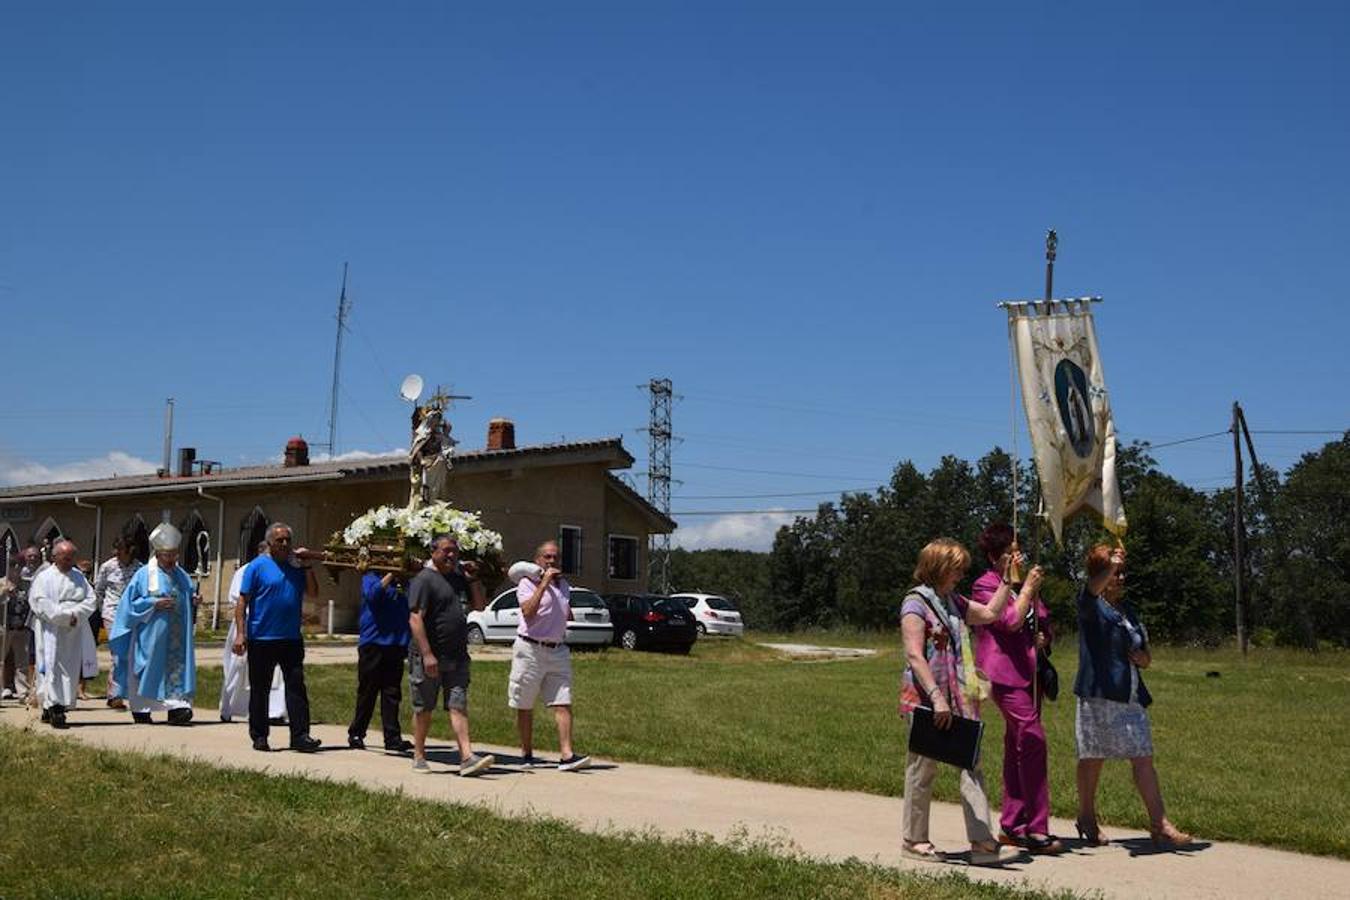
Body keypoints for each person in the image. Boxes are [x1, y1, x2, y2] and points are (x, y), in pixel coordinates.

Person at [898, 538, 1017, 865]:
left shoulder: (953, 601)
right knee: (923, 769)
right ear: (938, 567)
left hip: (959, 698)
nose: (961, 575)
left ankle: (982, 843)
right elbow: (914, 655)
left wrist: (1008, 580)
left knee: (971, 765)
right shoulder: (915, 602)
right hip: (928, 700)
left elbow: (991, 613)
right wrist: (937, 699)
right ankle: (914, 840)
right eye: (956, 569)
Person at [1074, 545, 1192, 849]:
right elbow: (1091, 590)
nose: (1120, 577)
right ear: (1099, 573)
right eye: (1114, 572)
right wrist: (1110, 566)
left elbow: (1144, 650)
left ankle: (1160, 824)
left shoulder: (1128, 610)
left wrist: (1144, 659)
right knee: (1092, 758)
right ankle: (1086, 817)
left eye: (1123, 572)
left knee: (1143, 757)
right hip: (1099, 695)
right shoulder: (1089, 604)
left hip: (1130, 695)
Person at [970, 523, 1060, 853]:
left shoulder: (1024, 584)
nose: (1017, 557)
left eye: (1018, 551)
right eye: (1010, 553)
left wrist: (1044, 636)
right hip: (1002, 674)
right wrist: (1025, 589)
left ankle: (1012, 824)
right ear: (995, 557)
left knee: (1017, 745)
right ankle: (1037, 828)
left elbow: (1042, 621)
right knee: (1033, 738)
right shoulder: (985, 585)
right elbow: (1008, 621)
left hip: (1029, 671)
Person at [407, 534, 494, 776]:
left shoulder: (459, 578)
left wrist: (473, 578)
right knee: (424, 708)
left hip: (457, 656)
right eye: (446, 550)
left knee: (458, 705)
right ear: (433, 552)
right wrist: (427, 654)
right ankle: (419, 755)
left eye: (454, 551)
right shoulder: (424, 580)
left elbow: (479, 606)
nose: (451, 555)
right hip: (429, 657)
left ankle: (466, 757)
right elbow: (415, 619)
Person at [233, 522, 322, 753]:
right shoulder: (257, 567)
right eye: (279, 540)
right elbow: (242, 601)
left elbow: (313, 593)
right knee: (260, 689)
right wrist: (241, 634)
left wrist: (307, 566)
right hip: (261, 638)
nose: (284, 544)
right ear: (270, 543)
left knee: (296, 687)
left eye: (287, 540)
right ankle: (260, 735)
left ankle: (300, 736)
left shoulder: (296, 567)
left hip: (290, 638)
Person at [510, 541, 590, 771]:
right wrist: (543, 584)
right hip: (530, 649)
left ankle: (567, 754)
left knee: (563, 701)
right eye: (547, 557)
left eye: (555, 557)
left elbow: (564, 613)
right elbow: (528, 612)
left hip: (557, 650)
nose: (552, 561)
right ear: (537, 560)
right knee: (525, 703)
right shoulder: (526, 583)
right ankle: (526, 754)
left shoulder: (564, 585)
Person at [107, 524, 198, 725]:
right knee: (148, 668)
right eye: (167, 555)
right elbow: (129, 605)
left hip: (177, 637)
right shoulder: (143, 575)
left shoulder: (181, 574)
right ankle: (142, 709)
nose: (172, 560)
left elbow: (187, 592)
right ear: (157, 554)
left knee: (176, 670)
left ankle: (177, 708)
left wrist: (193, 599)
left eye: (174, 555)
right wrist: (153, 603)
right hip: (150, 636)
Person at [28, 539, 96, 728]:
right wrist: (64, 617)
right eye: (65, 558)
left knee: (69, 667)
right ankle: (54, 707)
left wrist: (76, 614)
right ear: (55, 557)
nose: (69, 562)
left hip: (73, 630)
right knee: (51, 666)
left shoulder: (79, 577)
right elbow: (40, 602)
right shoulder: (44, 577)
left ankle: (59, 705)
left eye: (72, 558)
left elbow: (90, 600)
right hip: (51, 629)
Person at [347, 565, 414, 753]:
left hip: (396, 643)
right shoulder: (371, 577)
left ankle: (392, 737)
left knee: (392, 692)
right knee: (368, 691)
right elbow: (373, 596)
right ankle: (357, 733)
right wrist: (392, 573)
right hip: (373, 642)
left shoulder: (404, 583)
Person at [220, 542, 286, 723]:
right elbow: (238, 599)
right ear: (260, 553)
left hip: (272, 626)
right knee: (239, 666)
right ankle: (229, 708)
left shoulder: (279, 570)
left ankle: (274, 711)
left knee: (275, 669)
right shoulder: (245, 571)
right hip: (247, 623)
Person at [95, 536, 143, 708]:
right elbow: (99, 590)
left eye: (120, 550)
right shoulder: (108, 567)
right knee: (118, 654)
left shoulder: (140, 568)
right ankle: (114, 695)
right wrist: (102, 611)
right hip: (112, 614)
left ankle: (132, 691)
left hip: (132, 615)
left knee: (131, 655)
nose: (116, 553)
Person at [1, 547, 39, 703]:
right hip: (5, 627)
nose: (15, 568)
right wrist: (4, 593)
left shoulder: (25, 584)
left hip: (22, 627)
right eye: (12, 565)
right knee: (1, 660)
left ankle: (23, 692)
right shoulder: (2, 583)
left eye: (18, 565)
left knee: (22, 663)